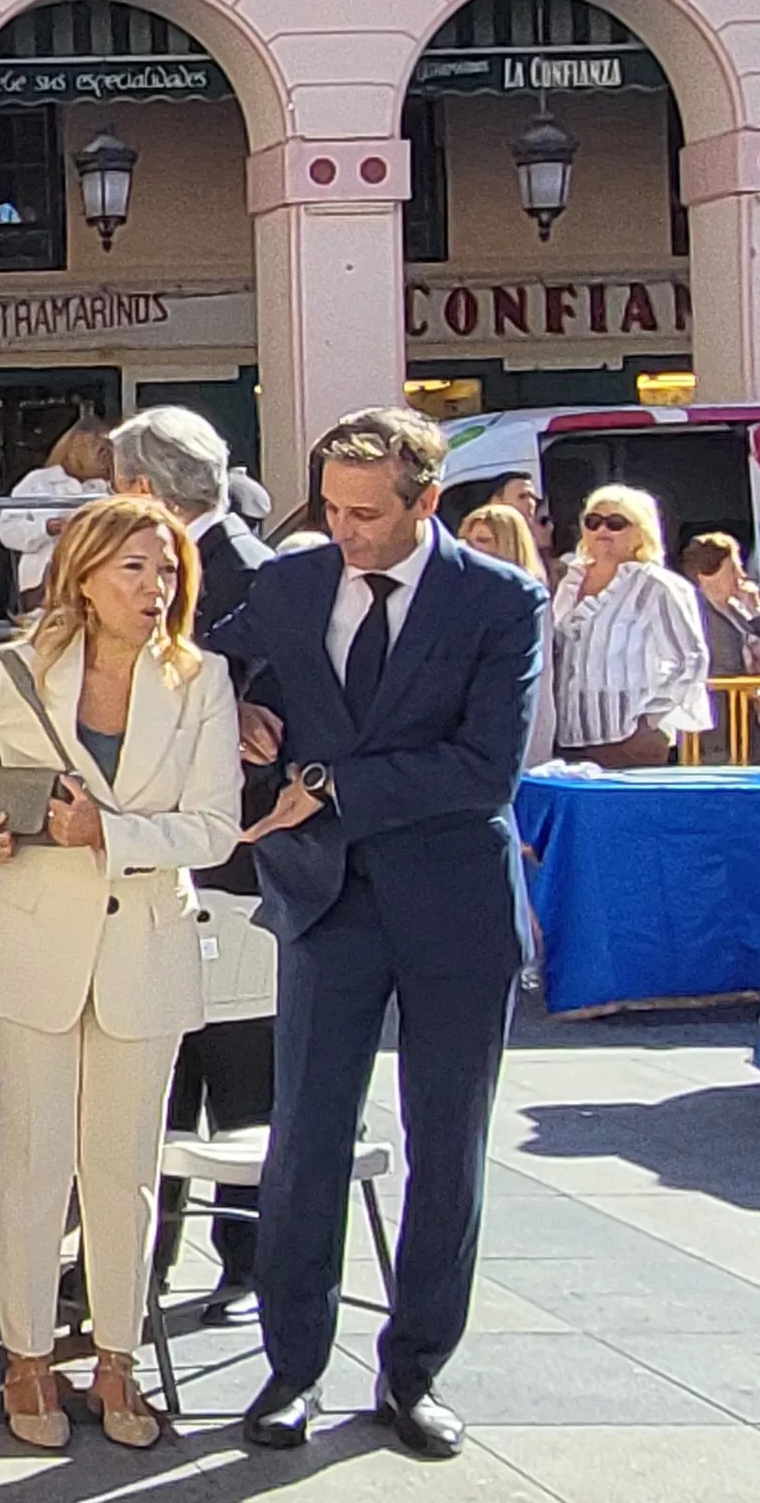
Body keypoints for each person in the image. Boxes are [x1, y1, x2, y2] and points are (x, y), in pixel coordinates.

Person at [210, 408, 543, 1460]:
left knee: (447, 1145)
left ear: (424, 502)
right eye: (332, 508)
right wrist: (237, 710)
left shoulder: (499, 599)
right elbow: (201, 670)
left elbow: (484, 768)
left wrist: (325, 782)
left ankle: (414, 1373)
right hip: (325, 900)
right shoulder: (290, 583)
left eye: (365, 514)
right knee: (304, 1138)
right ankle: (290, 1369)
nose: (343, 531)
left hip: (453, 903)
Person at [0, 498, 240, 1450]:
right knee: (30, 1167)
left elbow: (215, 827)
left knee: (125, 1172)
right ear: (84, 576)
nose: (155, 587)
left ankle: (119, 1361)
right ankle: (27, 1358)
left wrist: (114, 834)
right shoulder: (20, 669)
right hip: (28, 946)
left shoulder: (201, 680)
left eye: (167, 570)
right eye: (134, 568)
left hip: (145, 947)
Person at [108, 404, 277, 1324]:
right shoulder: (154, 575)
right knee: (159, 1074)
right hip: (157, 863)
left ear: (141, 489)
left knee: (240, 1072)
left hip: (238, 869)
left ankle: (247, 1262)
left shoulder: (253, 575)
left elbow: (277, 721)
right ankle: (142, 1254)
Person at [540, 484, 709, 769]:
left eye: (616, 523)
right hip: (567, 735)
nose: (602, 530)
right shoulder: (569, 580)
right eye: (593, 521)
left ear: (640, 532)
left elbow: (690, 658)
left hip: (628, 738)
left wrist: (650, 720)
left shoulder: (659, 585)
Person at [682, 533, 760, 763]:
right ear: (707, 573)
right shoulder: (690, 612)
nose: (742, 576)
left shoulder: (742, 610)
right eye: (734, 569)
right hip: (719, 734)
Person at [0, 415, 119, 612]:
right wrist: (47, 528)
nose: (107, 459)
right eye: (101, 452)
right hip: (44, 584)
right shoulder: (38, 482)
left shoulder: (111, 489)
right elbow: (7, 529)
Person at [457, 503, 547, 584]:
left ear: (511, 546)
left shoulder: (529, 593)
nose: (467, 547)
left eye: (482, 540)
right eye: (466, 541)